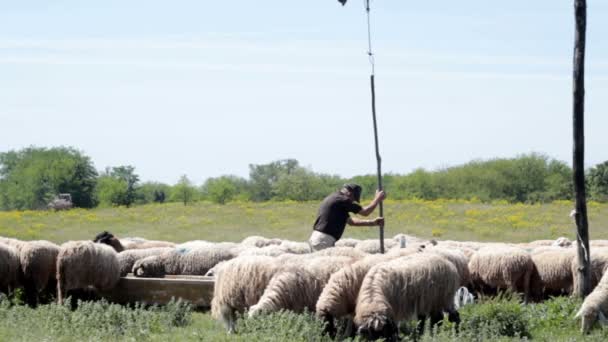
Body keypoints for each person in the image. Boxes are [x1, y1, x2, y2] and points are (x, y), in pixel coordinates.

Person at [309, 183, 386, 251]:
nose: (352, 201)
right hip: (323, 241)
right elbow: (365, 212)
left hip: (319, 239)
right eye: (354, 198)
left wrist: (372, 222)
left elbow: (351, 222)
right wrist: (377, 199)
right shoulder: (342, 200)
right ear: (350, 193)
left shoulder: (335, 199)